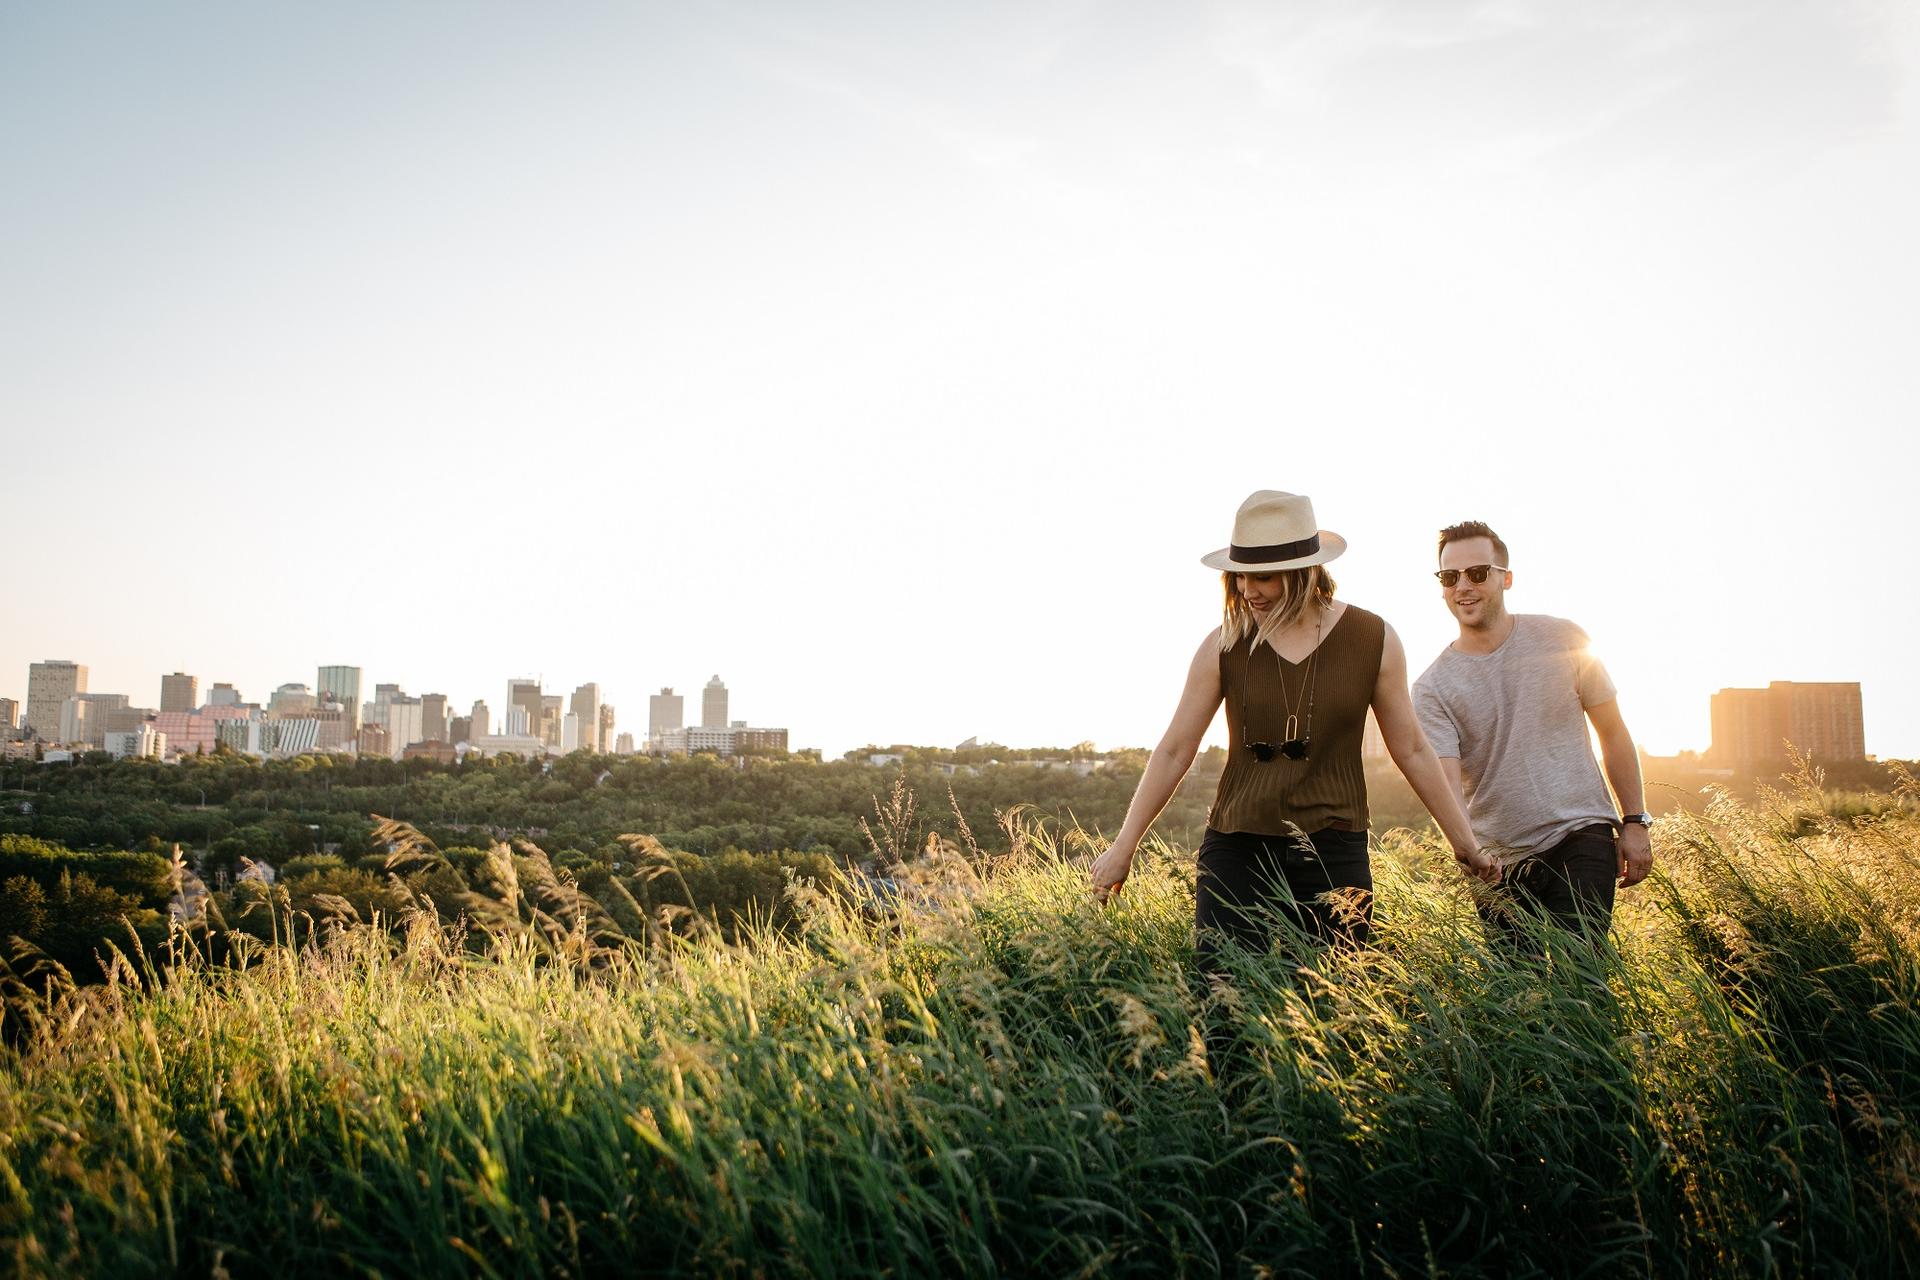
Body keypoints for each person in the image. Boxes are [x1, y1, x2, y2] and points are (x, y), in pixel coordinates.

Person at [1089, 490, 1497, 975]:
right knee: (1225, 1010)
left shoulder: (1374, 639)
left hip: (1335, 851)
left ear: (1303, 571)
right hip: (1236, 850)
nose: (1247, 589)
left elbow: (1410, 747)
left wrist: (1464, 843)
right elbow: (1176, 750)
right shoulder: (1224, 644)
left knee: (1334, 1012)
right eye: (1239, 574)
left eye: (1261, 576)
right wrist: (1124, 846)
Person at [1412, 520, 1653, 951]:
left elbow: (1614, 734)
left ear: (1506, 577)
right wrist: (1465, 847)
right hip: (1497, 863)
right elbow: (1445, 781)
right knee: (1519, 997)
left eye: (1477, 573)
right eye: (1450, 577)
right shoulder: (1432, 687)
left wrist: (1634, 822)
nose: (1463, 586)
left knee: (1582, 978)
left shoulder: (1564, 639)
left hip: (1580, 834)